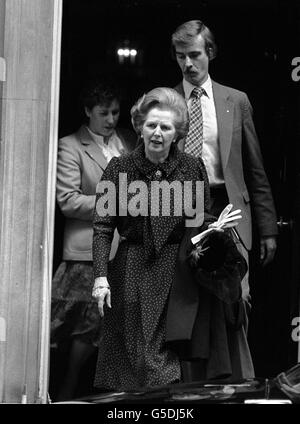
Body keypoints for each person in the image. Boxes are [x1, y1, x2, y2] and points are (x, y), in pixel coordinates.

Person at [170, 20, 278, 380]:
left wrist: (267, 229)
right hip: (185, 210)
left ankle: (237, 385)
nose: (188, 63)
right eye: (181, 56)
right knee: (191, 307)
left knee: (237, 298)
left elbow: (255, 169)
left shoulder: (236, 101)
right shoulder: (167, 103)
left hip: (229, 207)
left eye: (195, 55)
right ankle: (193, 390)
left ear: (210, 53)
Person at [92, 87, 215, 390]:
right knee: (135, 357)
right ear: (140, 127)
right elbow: (103, 227)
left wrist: (212, 235)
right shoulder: (119, 168)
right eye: (151, 125)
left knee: (164, 357)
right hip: (131, 269)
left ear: (178, 132)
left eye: (166, 127)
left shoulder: (191, 168)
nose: (157, 132)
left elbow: (199, 222)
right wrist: (100, 277)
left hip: (176, 272)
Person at [50, 78, 136, 401]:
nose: (112, 119)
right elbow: (68, 200)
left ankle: (105, 393)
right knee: (84, 332)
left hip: (123, 250)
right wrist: (113, 202)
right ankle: (69, 387)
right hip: (86, 253)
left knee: (112, 332)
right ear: (88, 111)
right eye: (104, 113)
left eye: (115, 112)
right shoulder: (70, 145)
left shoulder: (127, 141)